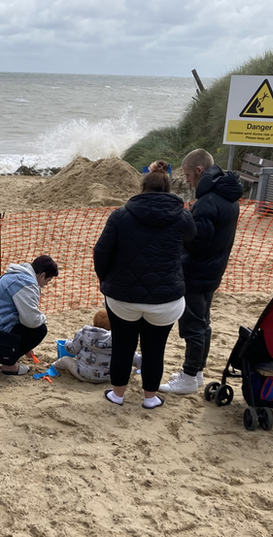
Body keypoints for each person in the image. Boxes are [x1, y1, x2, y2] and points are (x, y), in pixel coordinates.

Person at [93, 161, 195, 409]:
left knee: (122, 345)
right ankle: (150, 398)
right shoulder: (183, 216)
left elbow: (101, 252)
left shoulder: (120, 215)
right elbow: (192, 241)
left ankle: (117, 394)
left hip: (122, 298)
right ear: (169, 189)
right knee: (154, 349)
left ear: (142, 187)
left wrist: (105, 280)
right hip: (166, 299)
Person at [160, 149, 242, 395]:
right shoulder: (227, 195)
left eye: (187, 175)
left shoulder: (208, 201)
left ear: (199, 170)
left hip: (197, 270)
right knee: (203, 323)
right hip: (213, 269)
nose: (186, 180)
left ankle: (188, 375)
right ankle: (195, 373)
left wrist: (181, 231)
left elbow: (198, 240)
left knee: (193, 326)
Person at [0, 255, 59, 375]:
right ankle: (9, 365)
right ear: (42, 275)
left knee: (25, 323)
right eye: (48, 281)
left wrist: (24, 346)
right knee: (39, 329)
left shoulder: (13, 274)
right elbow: (31, 321)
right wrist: (43, 319)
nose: (45, 285)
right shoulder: (26, 283)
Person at [53, 309, 114, 383]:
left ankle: (53, 367)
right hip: (106, 377)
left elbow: (72, 350)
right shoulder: (116, 338)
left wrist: (67, 343)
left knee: (64, 359)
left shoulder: (83, 333)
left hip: (82, 374)